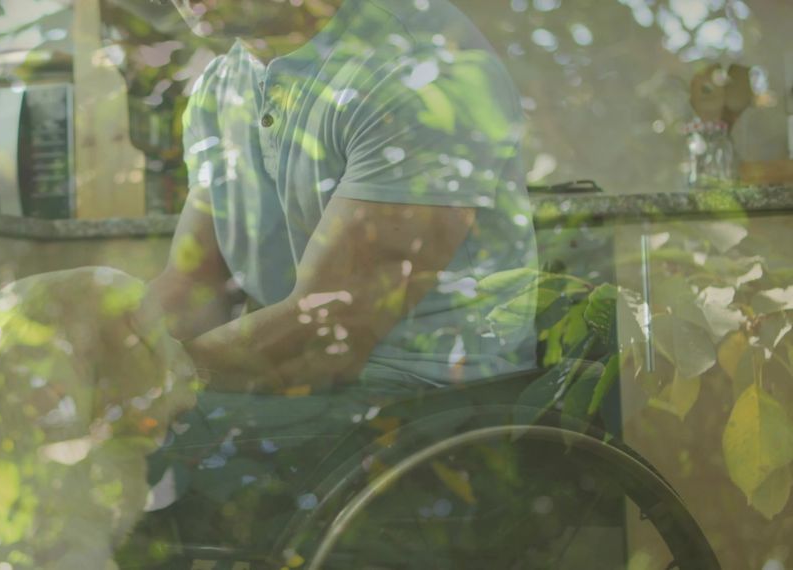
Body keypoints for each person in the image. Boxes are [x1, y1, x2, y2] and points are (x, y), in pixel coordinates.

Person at [129, 0, 540, 562]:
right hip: (307, 395)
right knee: (81, 440)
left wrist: (139, 384)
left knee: (125, 455)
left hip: (436, 411)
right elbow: (192, 284)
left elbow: (332, 331)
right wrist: (88, 357)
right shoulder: (220, 86)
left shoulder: (422, 69)